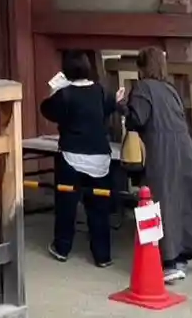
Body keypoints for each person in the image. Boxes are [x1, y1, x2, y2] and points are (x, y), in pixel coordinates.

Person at [125, 46, 192, 283]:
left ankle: (166, 261)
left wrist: (121, 106)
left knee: (156, 202)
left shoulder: (142, 88)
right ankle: (183, 253)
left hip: (159, 148)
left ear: (142, 68)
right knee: (182, 198)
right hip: (182, 147)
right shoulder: (170, 89)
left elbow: (136, 119)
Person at [39, 50, 119, 267]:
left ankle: (62, 247)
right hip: (99, 156)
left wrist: (54, 90)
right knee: (99, 208)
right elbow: (112, 106)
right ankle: (102, 255)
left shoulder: (65, 94)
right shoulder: (101, 91)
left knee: (66, 204)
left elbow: (46, 110)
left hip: (71, 155)